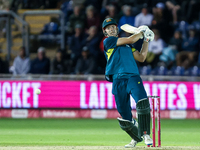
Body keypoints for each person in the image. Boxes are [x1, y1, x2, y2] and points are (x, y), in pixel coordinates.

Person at [102, 17, 154, 148]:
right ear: (105, 32)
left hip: (132, 76)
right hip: (117, 79)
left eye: (113, 26)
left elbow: (141, 57)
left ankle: (146, 133)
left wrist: (146, 40)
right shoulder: (108, 42)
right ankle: (135, 138)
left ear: (116, 29)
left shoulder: (128, 45)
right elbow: (131, 38)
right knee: (125, 116)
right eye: (109, 28)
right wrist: (142, 32)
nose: (112, 29)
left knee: (142, 102)